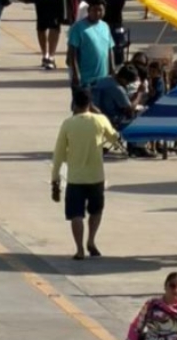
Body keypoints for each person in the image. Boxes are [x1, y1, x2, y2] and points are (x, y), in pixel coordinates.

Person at [50, 87, 121, 260]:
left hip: (75, 178)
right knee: (96, 211)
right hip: (96, 176)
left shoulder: (68, 123)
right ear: (90, 103)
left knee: (76, 215)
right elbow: (115, 139)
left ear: (74, 104)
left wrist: (55, 178)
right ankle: (91, 240)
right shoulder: (100, 120)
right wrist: (101, 116)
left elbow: (58, 153)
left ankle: (80, 249)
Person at [126, 272, 177, 340]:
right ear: (165, 286)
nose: (176, 290)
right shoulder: (151, 305)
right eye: (172, 286)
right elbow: (135, 329)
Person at [67, 0, 116, 94]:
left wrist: (112, 69)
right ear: (89, 10)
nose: (97, 13)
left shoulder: (105, 26)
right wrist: (76, 74)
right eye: (94, 10)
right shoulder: (78, 28)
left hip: (103, 78)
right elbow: (72, 52)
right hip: (85, 79)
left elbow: (110, 49)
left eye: (100, 10)